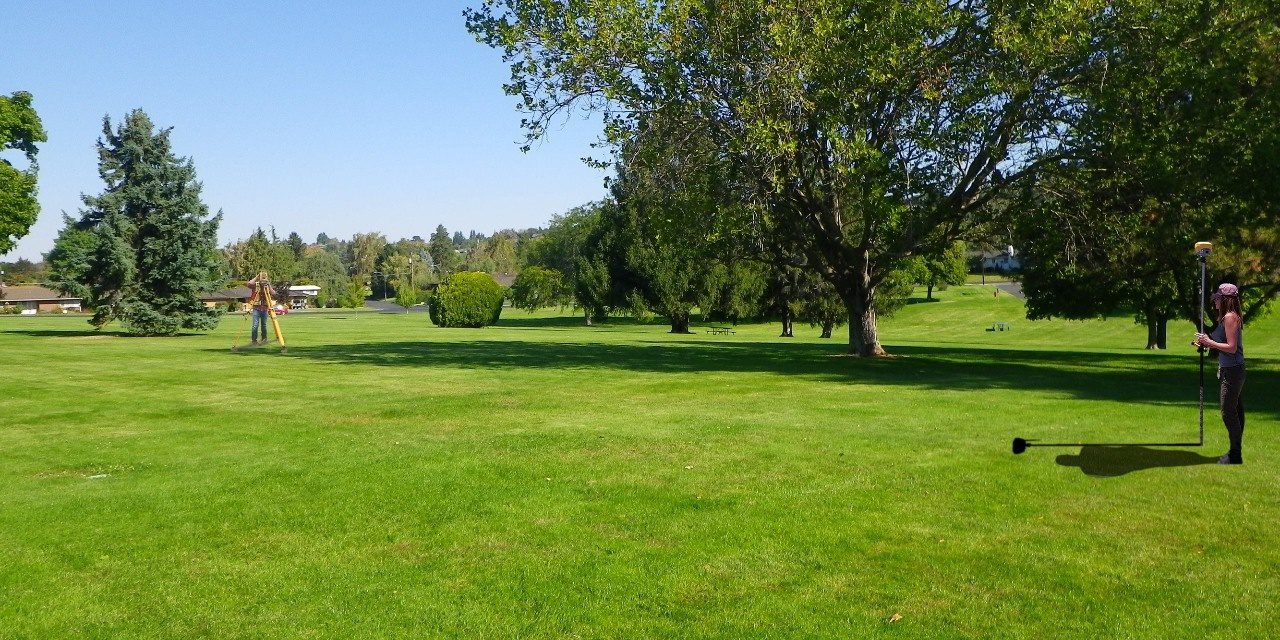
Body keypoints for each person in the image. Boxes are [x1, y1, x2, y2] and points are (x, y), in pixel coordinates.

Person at [1194, 283, 1246, 465]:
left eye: (1217, 297)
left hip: (1232, 371)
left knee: (1228, 412)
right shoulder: (1224, 318)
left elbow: (1231, 348)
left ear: (1226, 299)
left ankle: (1235, 454)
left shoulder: (1231, 317)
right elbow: (1216, 341)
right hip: (1229, 370)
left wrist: (1209, 342)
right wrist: (1203, 342)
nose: (1214, 301)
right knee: (1235, 410)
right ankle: (1235, 452)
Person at [246, 272, 272, 346]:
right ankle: (254, 340)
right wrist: (257, 276)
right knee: (255, 325)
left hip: (264, 308)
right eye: (262, 277)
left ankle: (264, 339)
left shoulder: (267, 286)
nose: (263, 279)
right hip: (256, 308)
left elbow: (273, 292)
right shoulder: (256, 285)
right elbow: (249, 284)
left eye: (264, 278)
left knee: (264, 325)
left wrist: (269, 284)